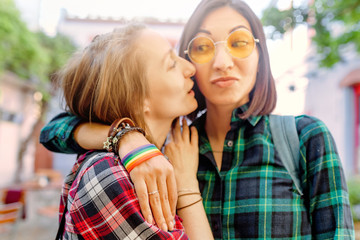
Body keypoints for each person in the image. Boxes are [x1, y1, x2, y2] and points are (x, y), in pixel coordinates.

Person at [40, 0, 355, 239]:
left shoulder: (304, 138)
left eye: (239, 42)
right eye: (203, 47)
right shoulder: (162, 154)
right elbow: (54, 129)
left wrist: (127, 139)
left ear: (260, 55)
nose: (221, 62)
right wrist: (127, 138)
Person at [51, 23, 213, 239]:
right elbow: (50, 131)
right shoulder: (108, 177)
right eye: (171, 64)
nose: (190, 68)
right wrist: (185, 185)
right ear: (139, 99)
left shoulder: (155, 159)